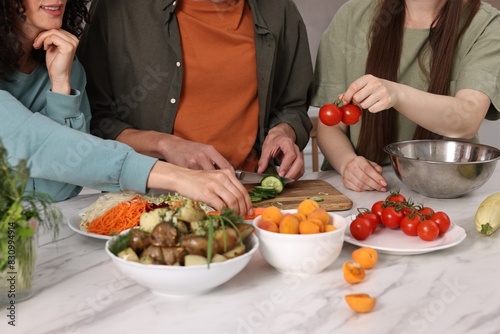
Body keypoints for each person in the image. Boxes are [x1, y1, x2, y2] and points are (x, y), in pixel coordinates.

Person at [0, 0, 252, 215]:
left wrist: (61, 86)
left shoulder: (64, 60)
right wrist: (177, 176)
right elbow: (33, 141)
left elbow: (59, 187)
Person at [77, 0, 313, 180]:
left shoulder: (279, 11)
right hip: (151, 194)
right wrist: (164, 145)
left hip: (251, 188)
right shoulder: (118, 9)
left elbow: (291, 106)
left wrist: (283, 132)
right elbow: (92, 120)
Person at [312, 0, 500, 192]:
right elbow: (332, 124)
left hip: (447, 188)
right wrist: (348, 164)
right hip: (365, 190)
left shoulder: (484, 24)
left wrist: (397, 94)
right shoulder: (352, 16)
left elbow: (467, 119)